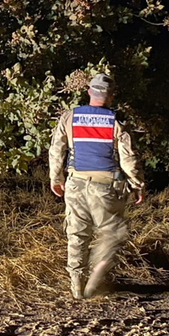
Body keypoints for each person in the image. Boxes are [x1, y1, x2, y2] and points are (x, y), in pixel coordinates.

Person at [49, 73, 144, 299]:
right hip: (106, 187)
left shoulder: (69, 117)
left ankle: (76, 284)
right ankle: (95, 277)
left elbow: (56, 150)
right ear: (110, 96)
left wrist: (56, 179)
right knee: (112, 233)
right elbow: (128, 158)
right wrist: (137, 184)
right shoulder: (116, 122)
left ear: (89, 92)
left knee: (77, 234)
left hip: (75, 184)